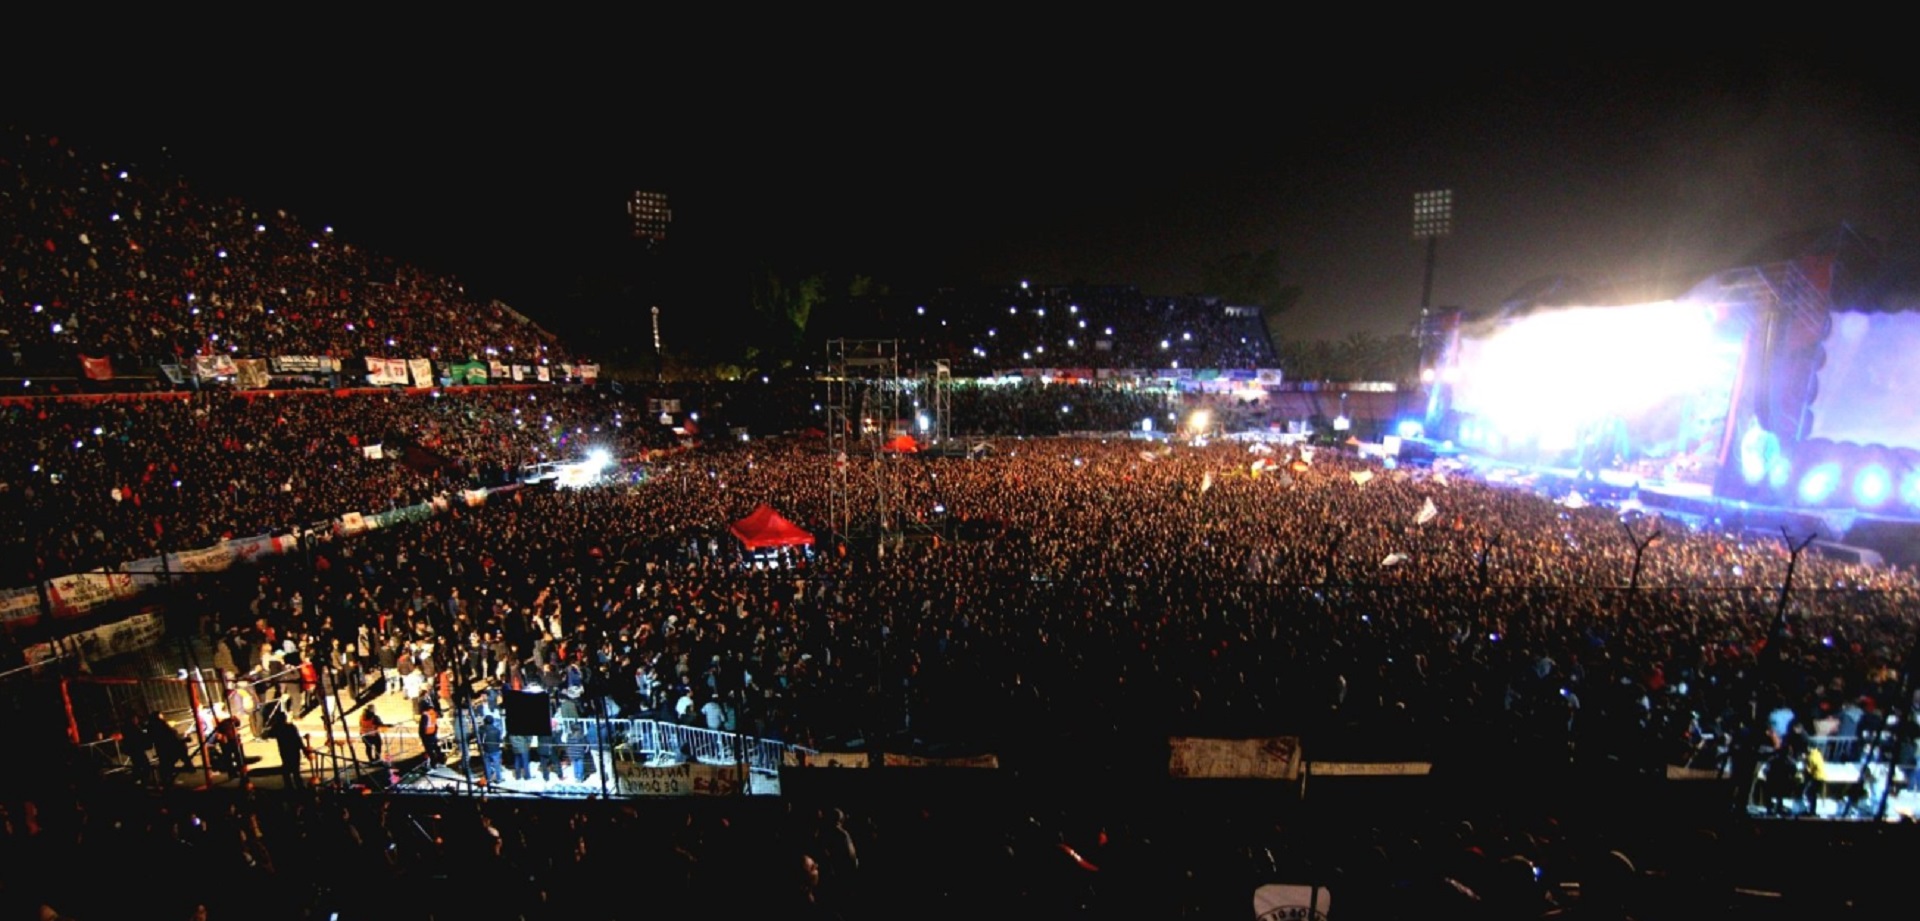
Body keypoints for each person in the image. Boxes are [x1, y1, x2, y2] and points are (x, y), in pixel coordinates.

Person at [267, 710, 305, 789]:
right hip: (294, 751)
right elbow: (298, 739)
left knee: (287, 771)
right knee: (295, 771)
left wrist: (272, 724)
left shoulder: (278, 728)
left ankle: (290, 788)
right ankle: (300, 787)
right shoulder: (291, 727)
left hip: (285, 751)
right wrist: (303, 748)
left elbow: (269, 734)